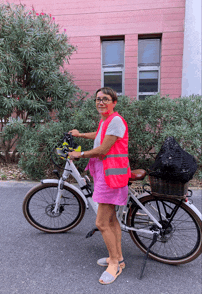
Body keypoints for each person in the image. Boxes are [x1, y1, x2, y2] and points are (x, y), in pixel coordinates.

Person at [68, 87, 131, 285]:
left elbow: (103, 148)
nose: (100, 102)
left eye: (105, 99)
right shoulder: (107, 121)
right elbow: (99, 135)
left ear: (114, 102)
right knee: (111, 221)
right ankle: (118, 258)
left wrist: (81, 154)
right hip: (108, 175)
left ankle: (114, 264)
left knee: (102, 223)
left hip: (111, 177)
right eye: (97, 99)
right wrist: (79, 135)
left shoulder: (116, 120)